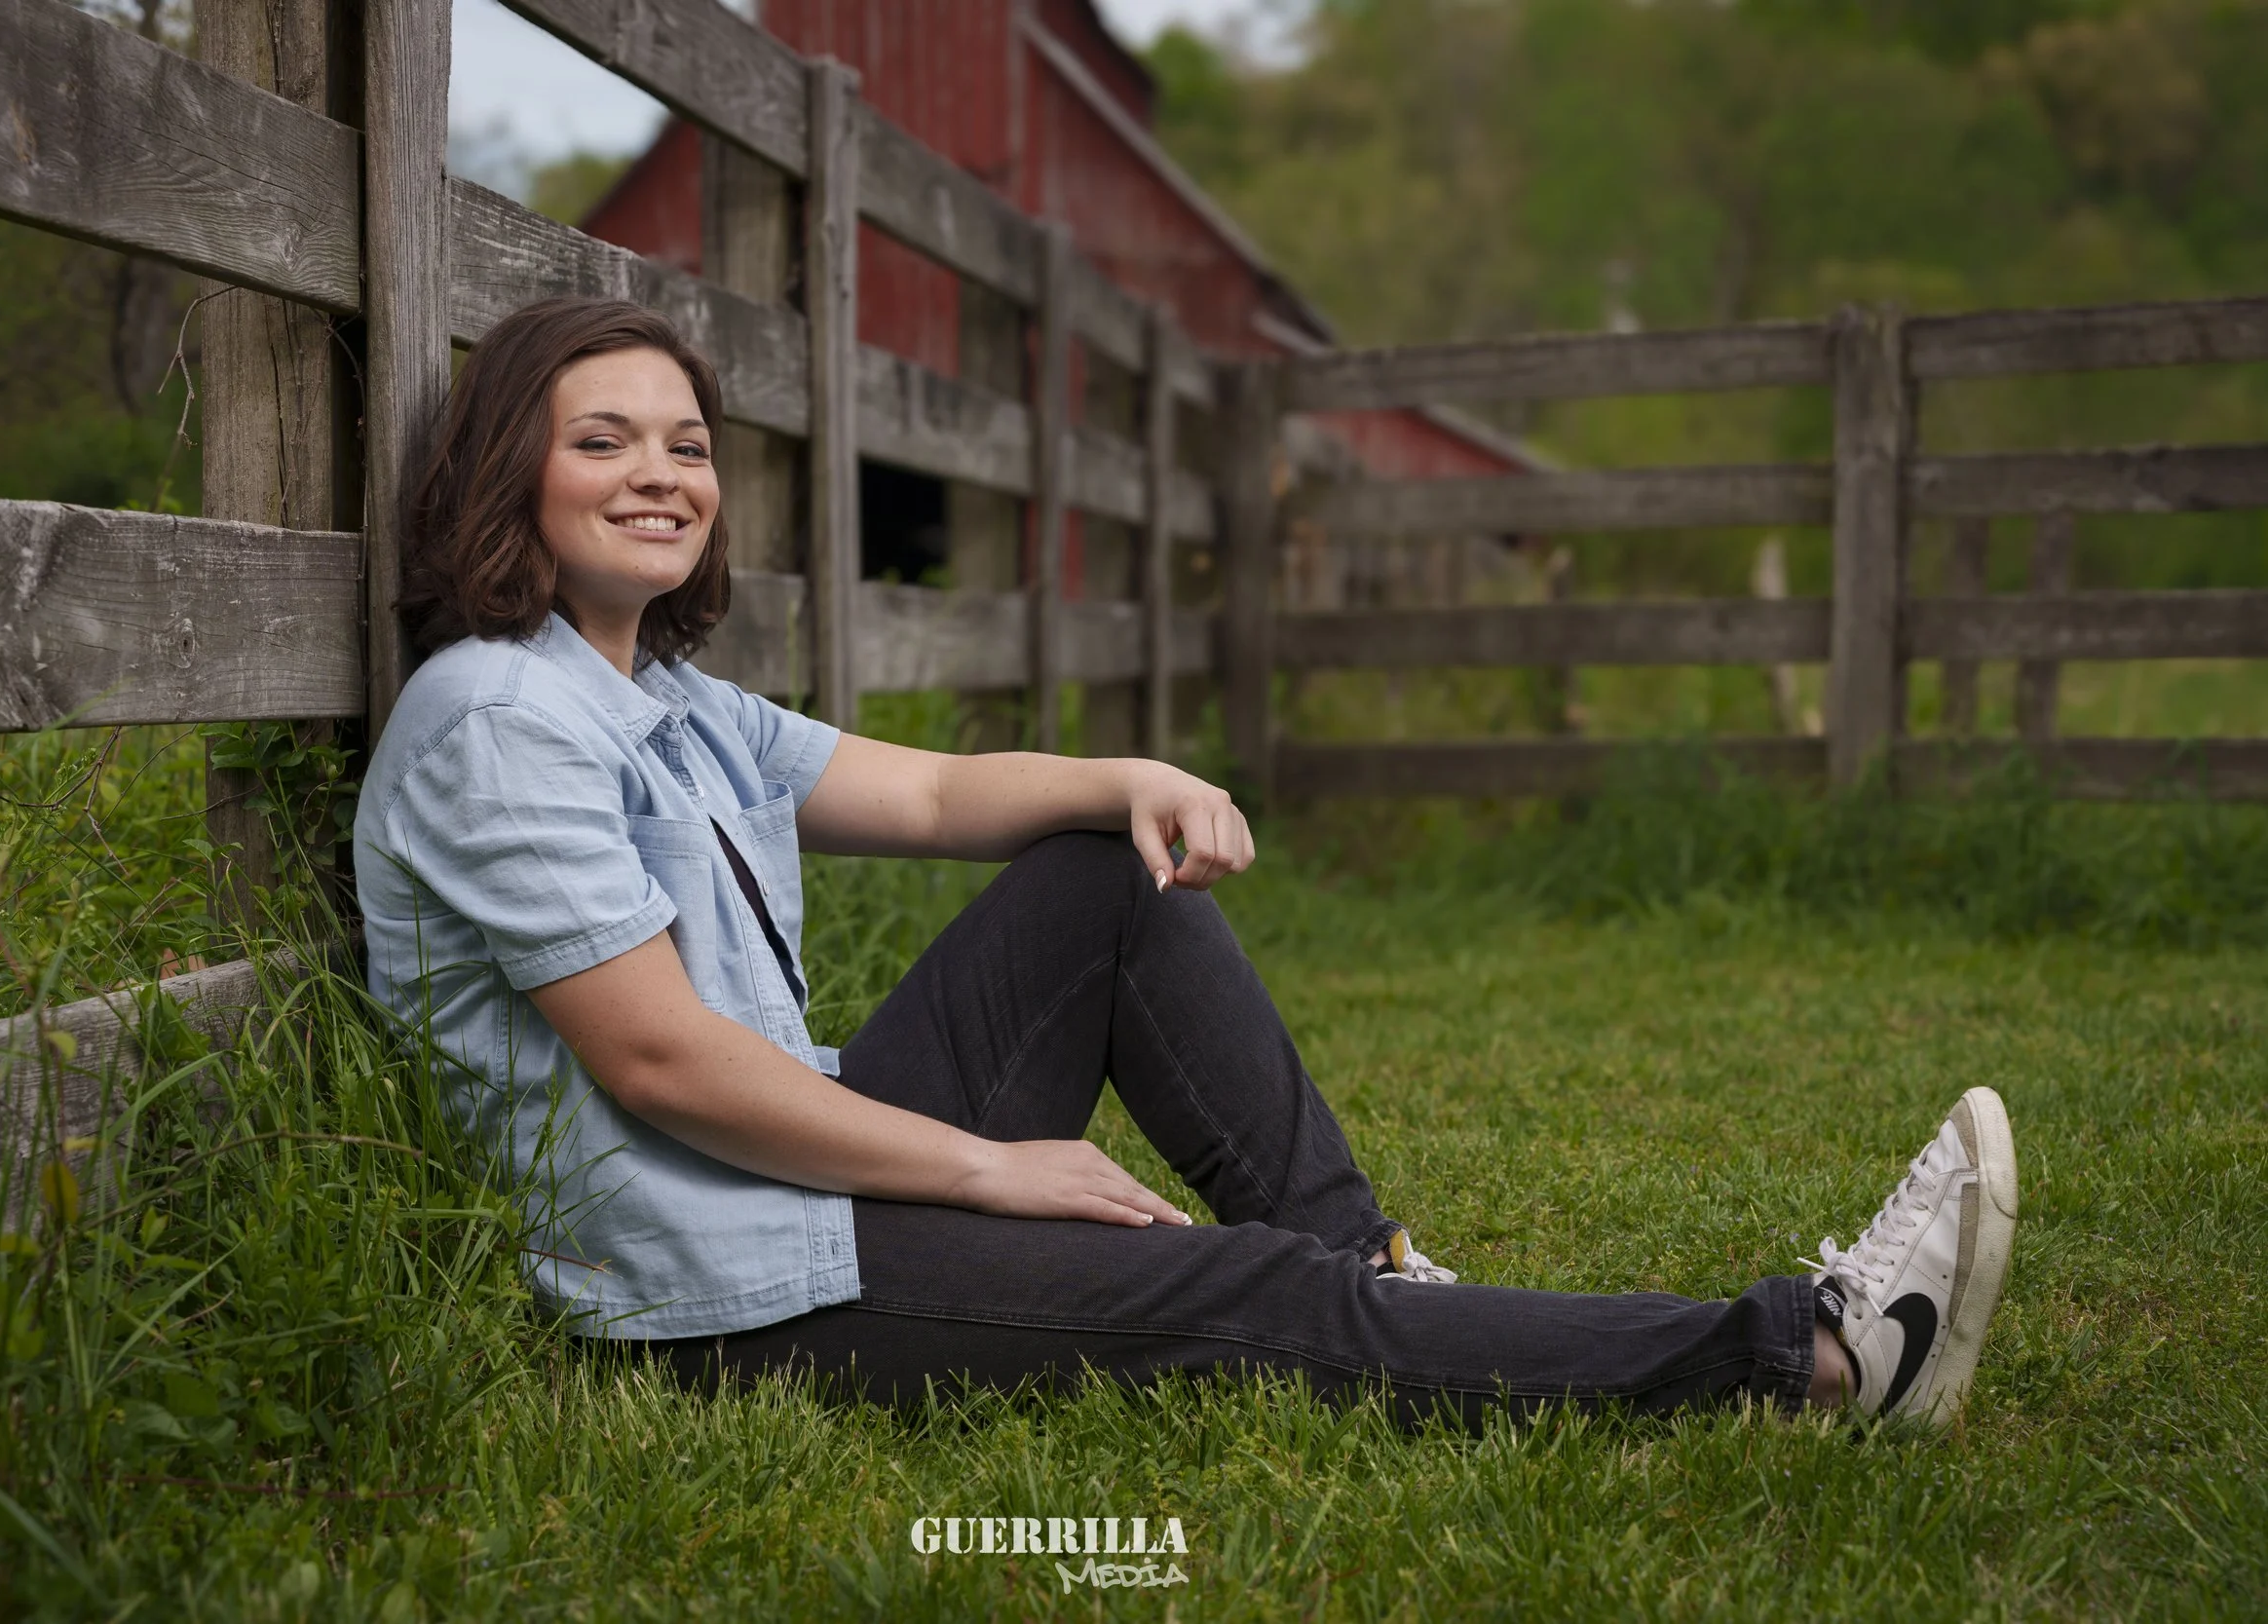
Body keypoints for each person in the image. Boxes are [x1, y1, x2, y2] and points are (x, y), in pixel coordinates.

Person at [355, 296, 2018, 1430]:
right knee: (1228, 1294)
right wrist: (992, 1167)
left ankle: (1382, 1288)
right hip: (709, 1286)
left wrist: (1134, 774)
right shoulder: (499, 719)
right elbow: (657, 1059)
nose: (663, 473)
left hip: (787, 1190)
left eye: (690, 443)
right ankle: (1809, 1355)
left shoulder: (665, 699)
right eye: (606, 441)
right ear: (513, 465)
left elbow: (930, 799)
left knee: (1104, 877)